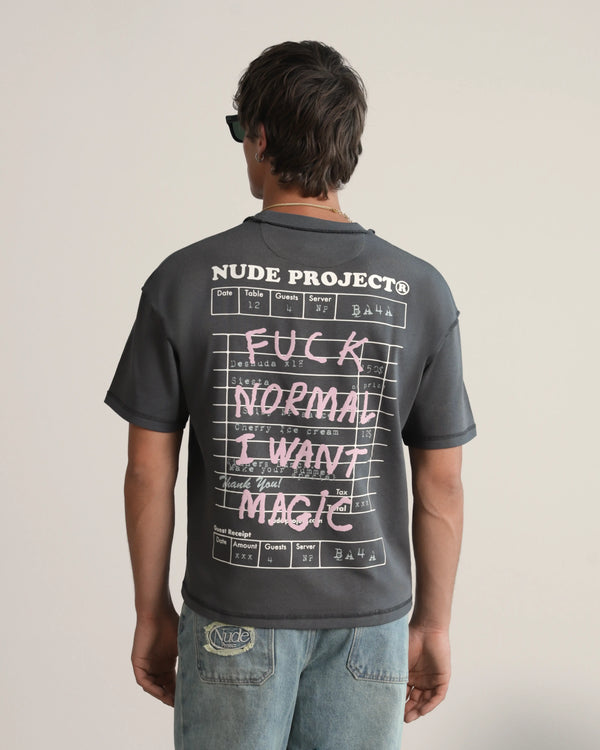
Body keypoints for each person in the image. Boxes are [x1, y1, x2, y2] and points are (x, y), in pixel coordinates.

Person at [105, 40, 476, 750]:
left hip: (234, 613)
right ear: (347, 146)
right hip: (370, 622)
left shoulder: (185, 280)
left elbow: (148, 469)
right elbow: (442, 483)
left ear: (260, 136)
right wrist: (432, 623)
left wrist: (151, 613)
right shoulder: (419, 290)